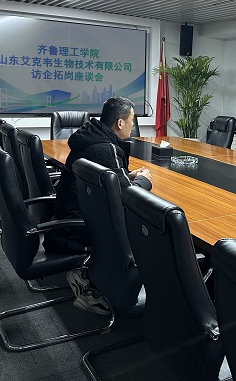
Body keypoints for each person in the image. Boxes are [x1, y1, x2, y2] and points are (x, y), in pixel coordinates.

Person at [44, 96, 152, 314]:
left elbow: (109, 181)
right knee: (149, 225)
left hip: (71, 218)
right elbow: (125, 197)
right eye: (131, 120)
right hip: (81, 229)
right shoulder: (105, 148)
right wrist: (144, 181)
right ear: (120, 123)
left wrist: (126, 176)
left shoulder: (91, 139)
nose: (132, 125)